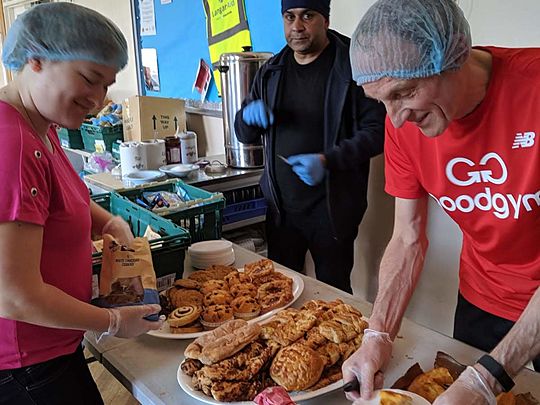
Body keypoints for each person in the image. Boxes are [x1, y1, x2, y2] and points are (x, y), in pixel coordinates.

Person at [341, 0, 540, 404]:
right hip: (482, 300)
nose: (395, 120)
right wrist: (378, 333)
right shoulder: (402, 124)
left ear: (455, 58)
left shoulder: (534, 89)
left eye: (404, 92)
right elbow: (407, 237)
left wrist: (489, 378)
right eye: (382, 101)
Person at [0, 4, 162, 404]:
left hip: (50, 350)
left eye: (107, 84)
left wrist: (109, 223)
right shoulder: (13, 145)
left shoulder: (40, 127)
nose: (99, 99)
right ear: (35, 59)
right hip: (29, 369)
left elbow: (62, 199)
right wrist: (110, 321)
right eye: (90, 79)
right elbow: (13, 294)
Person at [234, 0, 385, 293]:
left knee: (334, 294)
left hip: (332, 210)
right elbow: (243, 134)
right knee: (277, 291)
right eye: (289, 17)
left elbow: (378, 131)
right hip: (281, 210)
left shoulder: (353, 66)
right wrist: (248, 119)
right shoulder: (271, 71)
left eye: (307, 16)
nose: (297, 27)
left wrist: (329, 160)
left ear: (325, 20)